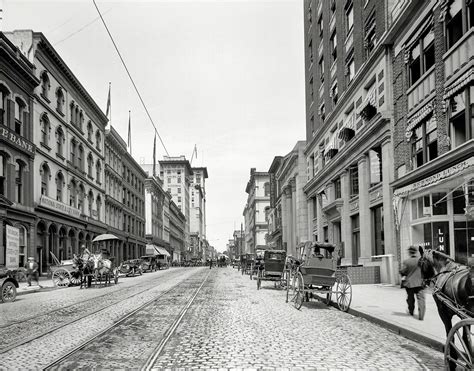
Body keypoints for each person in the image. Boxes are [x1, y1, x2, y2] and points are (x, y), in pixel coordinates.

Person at [400, 245, 425, 320]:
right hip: (420, 283)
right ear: (416, 252)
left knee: (410, 299)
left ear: (410, 253)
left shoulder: (406, 261)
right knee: (421, 299)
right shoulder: (421, 260)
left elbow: (403, 271)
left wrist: (401, 272)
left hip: (410, 284)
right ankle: (421, 315)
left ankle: (411, 311)